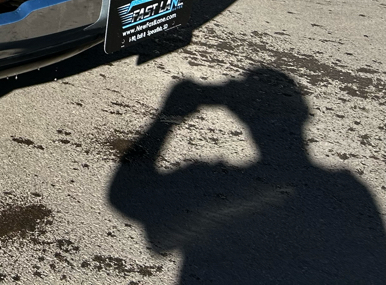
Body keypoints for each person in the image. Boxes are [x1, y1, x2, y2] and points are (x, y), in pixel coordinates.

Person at [109, 68, 386, 284]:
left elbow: (125, 199)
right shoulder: (347, 189)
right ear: (303, 115)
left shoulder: (216, 184)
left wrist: (168, 116)